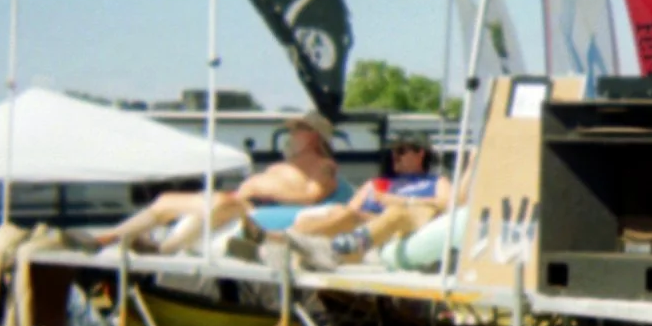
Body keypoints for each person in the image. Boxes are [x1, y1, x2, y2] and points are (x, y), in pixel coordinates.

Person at [95, 110, 346, 253]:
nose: (290, 135)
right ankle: (110, 237)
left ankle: (165, 248)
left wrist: (263, 189)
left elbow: (313, 195)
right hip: (243, 199)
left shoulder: (323, 165)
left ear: (313, 136)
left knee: (220, 202)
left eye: (296, 130)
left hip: (258, 207)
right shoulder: (286, 162)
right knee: (166, 199)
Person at [276, 134, 454, 271]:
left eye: (401, 151)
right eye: (393, 152)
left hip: (394, 229)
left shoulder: (436, 182)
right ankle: (281, 241)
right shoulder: (381, 183)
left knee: (348, 214)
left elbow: (447, 204)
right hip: (362, 224)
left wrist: (399, 200)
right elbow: (349, 209)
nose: (395, 157)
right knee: (335, 211)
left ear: (420, 153)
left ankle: (289, 242)